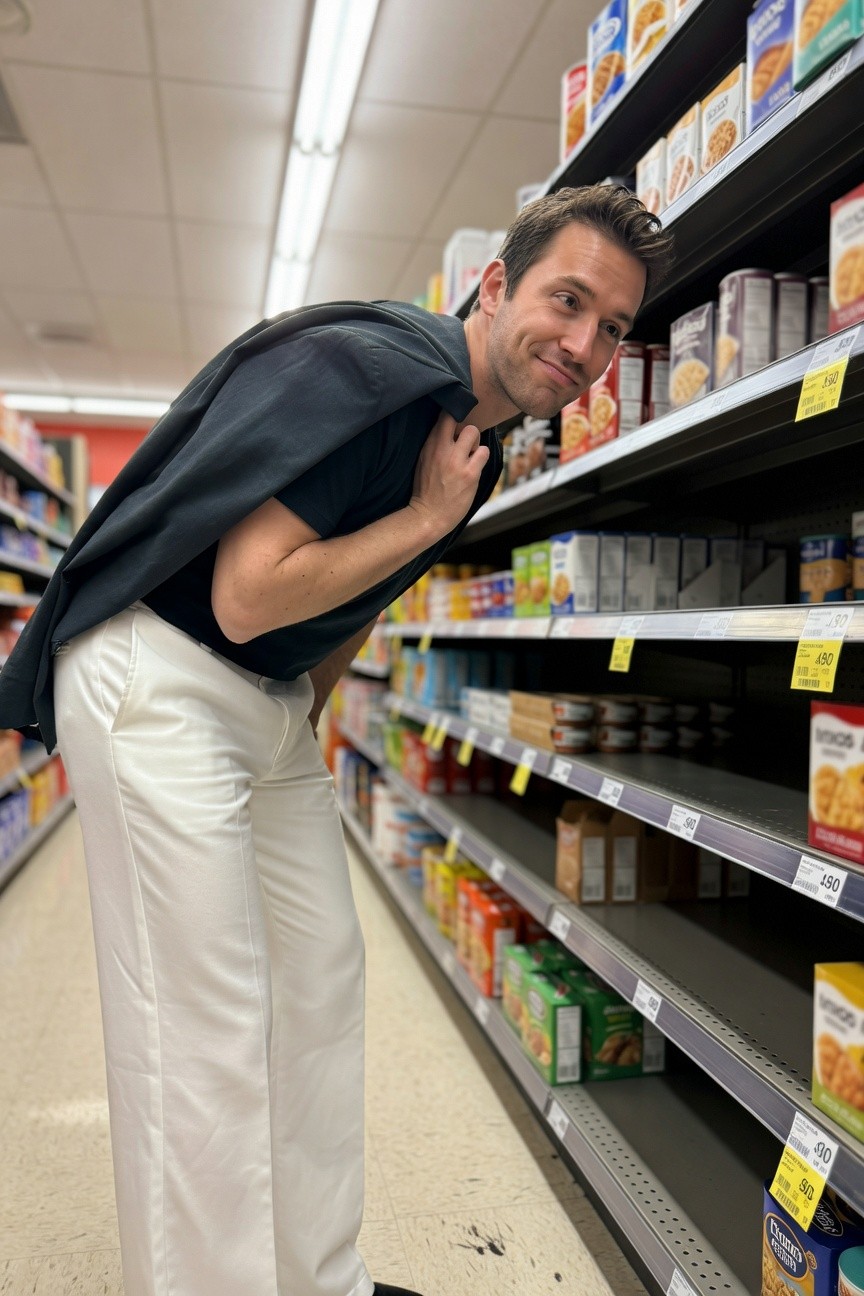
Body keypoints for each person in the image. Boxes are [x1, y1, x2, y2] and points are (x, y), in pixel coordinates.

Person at [0, 183, 672, 1296]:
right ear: (497, 285)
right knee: (201, 1030)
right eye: (567, 300)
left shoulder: (476, 439)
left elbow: (350, 604)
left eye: (614, 327)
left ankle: (319, 1280)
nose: (586, 344)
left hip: (262, 703)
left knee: (318, 982)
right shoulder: (376, 373)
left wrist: (303, 724)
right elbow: (250, 594)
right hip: (156, 674)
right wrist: (422, 518)